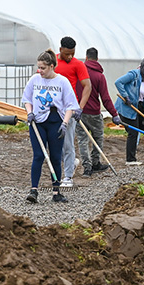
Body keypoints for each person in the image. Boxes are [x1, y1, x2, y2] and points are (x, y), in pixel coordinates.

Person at [22, 49, 79, 203]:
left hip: (56, 123)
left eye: (43, 68)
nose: (39, 70)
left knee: (55, 157)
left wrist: (65, 124)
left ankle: (56, 192)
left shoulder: (62, 82)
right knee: (39, 156)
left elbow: (70, 105)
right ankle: (34, 191)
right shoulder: (34, 80)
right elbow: (27, 99)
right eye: (38, 67)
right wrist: (30, 113)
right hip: (37, 122)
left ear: (52, 66)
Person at [75, 47, 121, 176]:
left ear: (86, 57)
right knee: (98, 138)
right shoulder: (99, 76)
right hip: (94, 114)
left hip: (80, 112)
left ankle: (87, 168)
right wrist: (114, 114)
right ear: (97, 59)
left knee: (82, 140)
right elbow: (105, 98)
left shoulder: (79, 73)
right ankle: (96, 163)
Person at [54, 36, 91, 187]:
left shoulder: (78, 65)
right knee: (53, 144)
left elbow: (87, 86)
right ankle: (72, 161)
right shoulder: (52, 62)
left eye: (73, 53)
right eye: (67, 53)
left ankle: (68, 177)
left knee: (68, 143)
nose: (70, 56)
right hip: (52, 109)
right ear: (60, 50)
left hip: (69, 108)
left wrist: (80, 107)